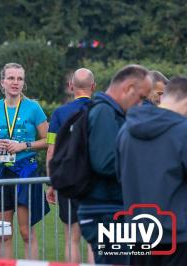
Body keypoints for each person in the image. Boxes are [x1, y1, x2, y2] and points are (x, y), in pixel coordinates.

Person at [77, 64, 152, 265]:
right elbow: (106, 162)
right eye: (142, 97)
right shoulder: (104, 112)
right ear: (128, 88)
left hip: (110, 209)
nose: (142, 104)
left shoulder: (110, 112)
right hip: (104, 211)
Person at [116, 76, 187, 265]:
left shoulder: (125, 131)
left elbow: (119, 175)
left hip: (137, 234)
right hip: (177, 236)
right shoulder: (182, 131)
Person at [0, 62, 50, 259]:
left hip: (25, 173)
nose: (15, 82)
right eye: (11, 78)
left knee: (26, 232)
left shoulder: (34, 108)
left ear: (24, 83)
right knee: (3, 234)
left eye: (19, 78)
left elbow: (51, 139)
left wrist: (24, 146)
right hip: (0, 173)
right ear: (2, 82)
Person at [46, 68, 95, 263]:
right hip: (95, 181)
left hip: (68, 181)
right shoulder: (103, 110)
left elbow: (51, 151)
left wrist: (52, 182)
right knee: (95, 239)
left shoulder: (59, 113)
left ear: (71, 86)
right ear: (93, 86)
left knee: (71, 239)